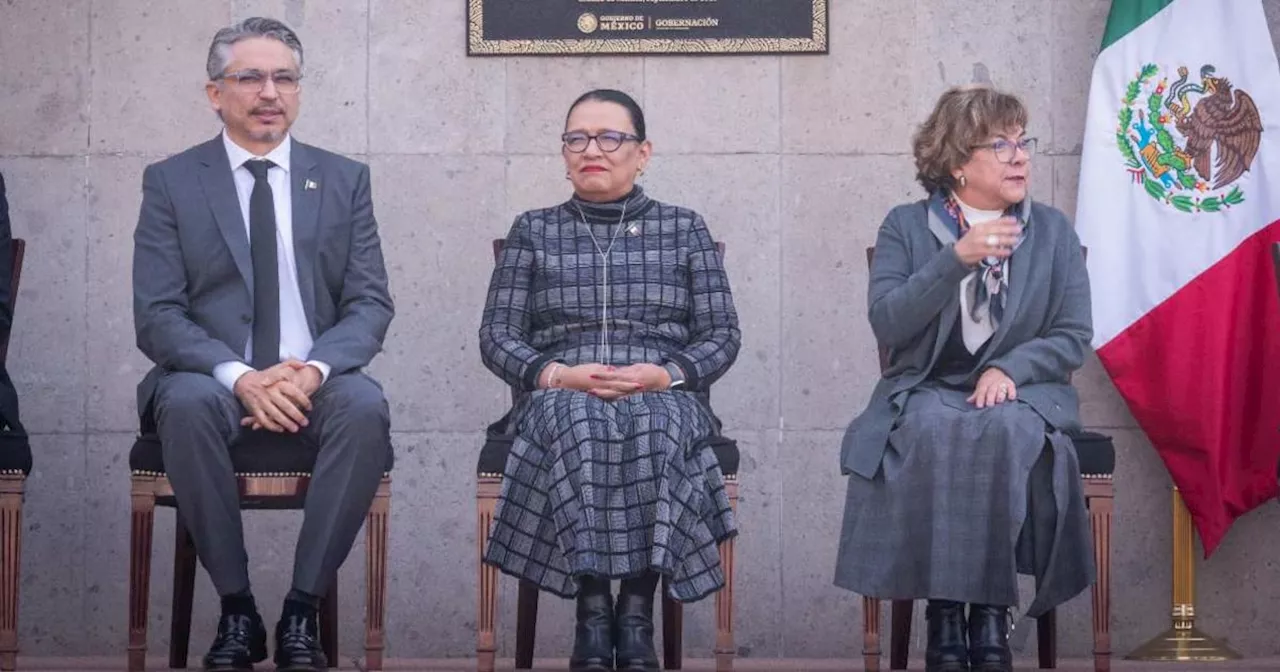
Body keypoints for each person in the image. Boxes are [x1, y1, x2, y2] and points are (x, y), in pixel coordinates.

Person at [131, 17, 393, 672]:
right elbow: (157, 315)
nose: (268, 91)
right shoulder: (172, 181)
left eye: (283, 77)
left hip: (317, 381)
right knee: (185, 403)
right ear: (215, 93)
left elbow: (369, 303)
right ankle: (238, 610)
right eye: (250, 77)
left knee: (364, 406)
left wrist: (313, 372)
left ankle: (301, 609)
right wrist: (240, 376)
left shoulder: (342, 179)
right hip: (214, 382)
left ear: (299, 92)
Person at [833, 85, 1095, 672]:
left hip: (1022, 394)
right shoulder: (907, 226)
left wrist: (1011, 368)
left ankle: (986, 614)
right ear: (956, 162)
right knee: (925, 424)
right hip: (927, 387)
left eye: (1023, 142)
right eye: (1001, 145)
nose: (1020, 156)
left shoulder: (1050, 232)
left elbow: (1074, 334)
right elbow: (889, 321)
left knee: (1002, 430)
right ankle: (945, 613)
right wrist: (955, 259)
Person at [478, 89, 741, 672]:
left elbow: (722, 335)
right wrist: (557, 375)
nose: (592, 149)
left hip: (662, 390)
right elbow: (496, 337)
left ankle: (637, 611)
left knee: (656, 422)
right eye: (578, 138)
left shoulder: (684, 228)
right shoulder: (533, 230)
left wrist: (666, 375)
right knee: (578, 418)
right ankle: (593, 613)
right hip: (560, 391)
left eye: (609, 138)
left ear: (643, 152)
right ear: (564, 152)